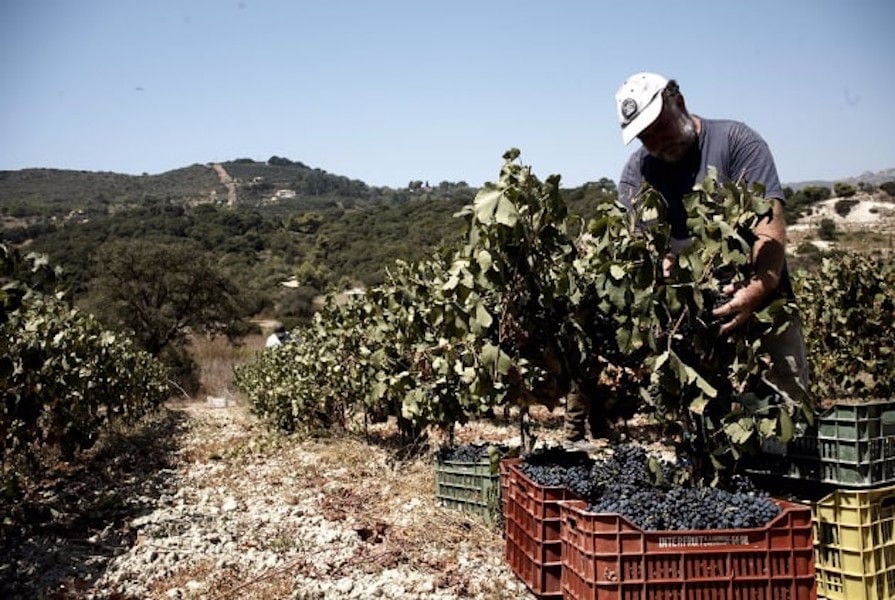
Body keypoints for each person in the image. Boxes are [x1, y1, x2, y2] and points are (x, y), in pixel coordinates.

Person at [563, 71, 810, 447]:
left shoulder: (737, 142)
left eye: (659, 128)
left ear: (678, 100)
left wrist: (757, 290)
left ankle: (789, 491)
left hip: (764, 305)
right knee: (709, 430)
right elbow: (643, 249)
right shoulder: (637, 173)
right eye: (645, 137)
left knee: (785, 413)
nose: (656, 142)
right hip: (692, 322)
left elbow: (769, 230)